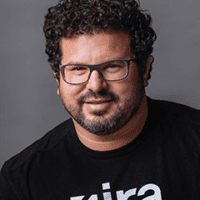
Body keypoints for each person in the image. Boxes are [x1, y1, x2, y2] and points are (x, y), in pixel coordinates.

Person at [0, 0, 200, 199]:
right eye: (78, 69)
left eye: (112, 66)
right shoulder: (22, 181)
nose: (95, 85)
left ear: (145, 69)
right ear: (57, 78)